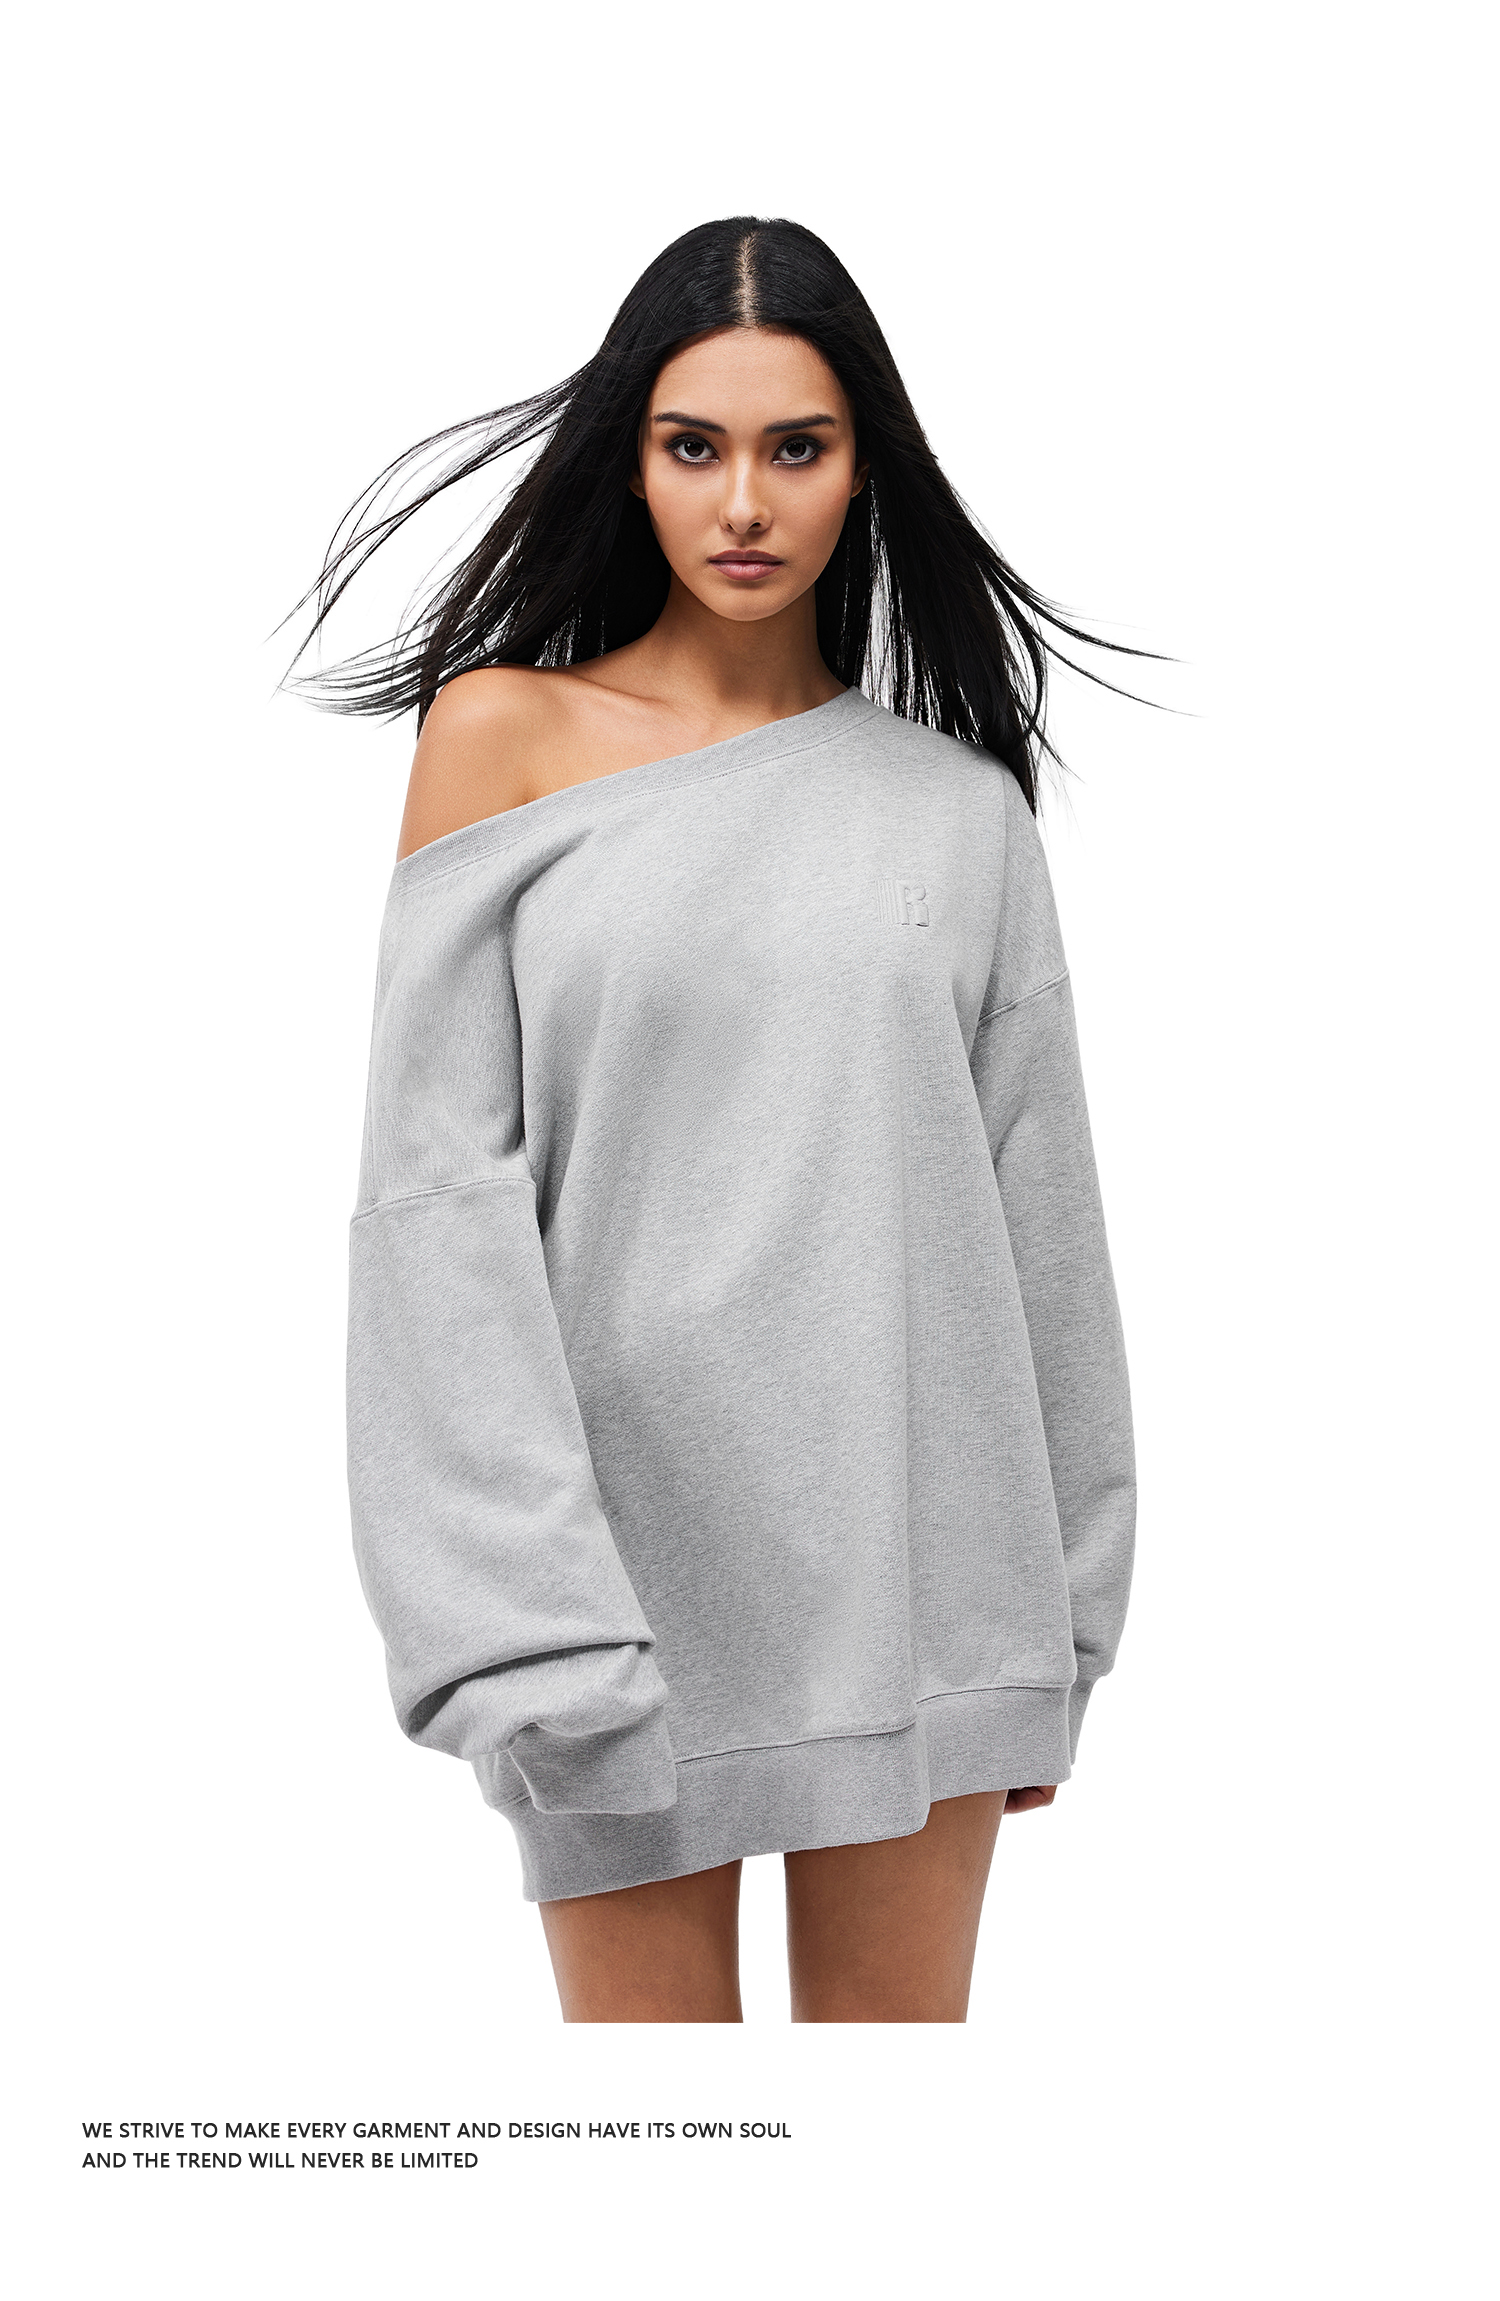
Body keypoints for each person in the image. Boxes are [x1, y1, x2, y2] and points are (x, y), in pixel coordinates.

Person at [287, 215, 1141, 2023]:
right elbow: (436, 1213)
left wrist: (1063, 1627)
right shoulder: (500, 741)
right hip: (613, 1602)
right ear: (636, 461)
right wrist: (520, 1627)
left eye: (796, 447)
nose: (744, 501)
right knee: (656, 2149)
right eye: (695, 446)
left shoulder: (960, 812)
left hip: (930, 1584)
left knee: (882, 2155)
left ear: (862, 469)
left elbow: (1041, 1224)